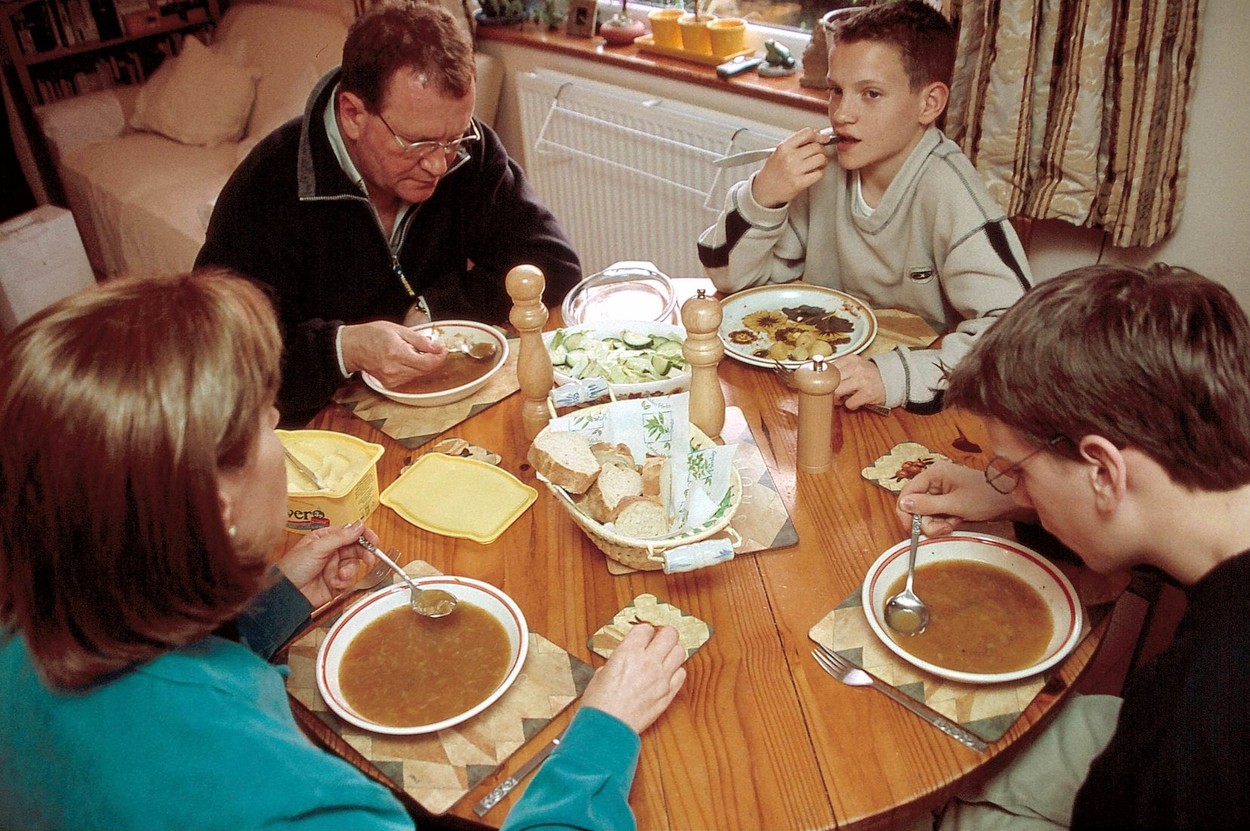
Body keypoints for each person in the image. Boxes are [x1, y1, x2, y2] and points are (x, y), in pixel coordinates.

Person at [0, 270, 687, 831]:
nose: (278, 427)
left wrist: (272, 608)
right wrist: (601, 731)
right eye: (266, 420)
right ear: (219, 507)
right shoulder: (291, 803)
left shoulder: (29, 619)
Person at [893, 263, 1250, 829]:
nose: (1015, 488)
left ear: (1104, 471)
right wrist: (1011, 496)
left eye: (1018, 471)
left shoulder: (1198, 719)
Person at [196, 0, 581, 426]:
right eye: (417, 144)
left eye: (453, 139)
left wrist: (431, 310)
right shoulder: (265, 187)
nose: (439, 164)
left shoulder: (469, 151)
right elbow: (220, 361)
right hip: (317, 430)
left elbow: (555, 266)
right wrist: (343, 348)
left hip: (441, 401)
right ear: (353, 114)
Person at [697, 0, 1031, 413]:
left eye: (870, 94)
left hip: (910, 402)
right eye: (836, 90)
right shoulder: (823, 171)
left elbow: (1017, 338)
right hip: (813, 382)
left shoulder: (952, 195)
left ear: (930, 103)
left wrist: (891, 377)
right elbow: (737, 283)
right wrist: (764, 196)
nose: (842, 114)